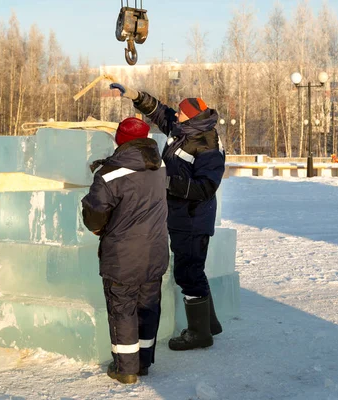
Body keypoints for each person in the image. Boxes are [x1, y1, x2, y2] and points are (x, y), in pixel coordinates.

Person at [109, 83, 225, 351]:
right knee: (193, 269)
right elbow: (162, 113)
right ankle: (210, 323)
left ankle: (199, 333)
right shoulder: (187, 130)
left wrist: (165, 181)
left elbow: (206, 187)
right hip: (182, 216)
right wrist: (136, 97)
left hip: (194, 218)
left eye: (182, 114)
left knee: (188, 272)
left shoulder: (206, 145)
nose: (178, 117)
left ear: (192, 117)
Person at [81, 117, 169, 384]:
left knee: (122, 309)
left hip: (123, 255)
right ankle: (142, 362)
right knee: (148, 307)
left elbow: (95, 213)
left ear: (120, 140)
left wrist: (97, 228)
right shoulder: (160, 164)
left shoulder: (110, 174)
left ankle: (126, 368)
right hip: (155, 250)